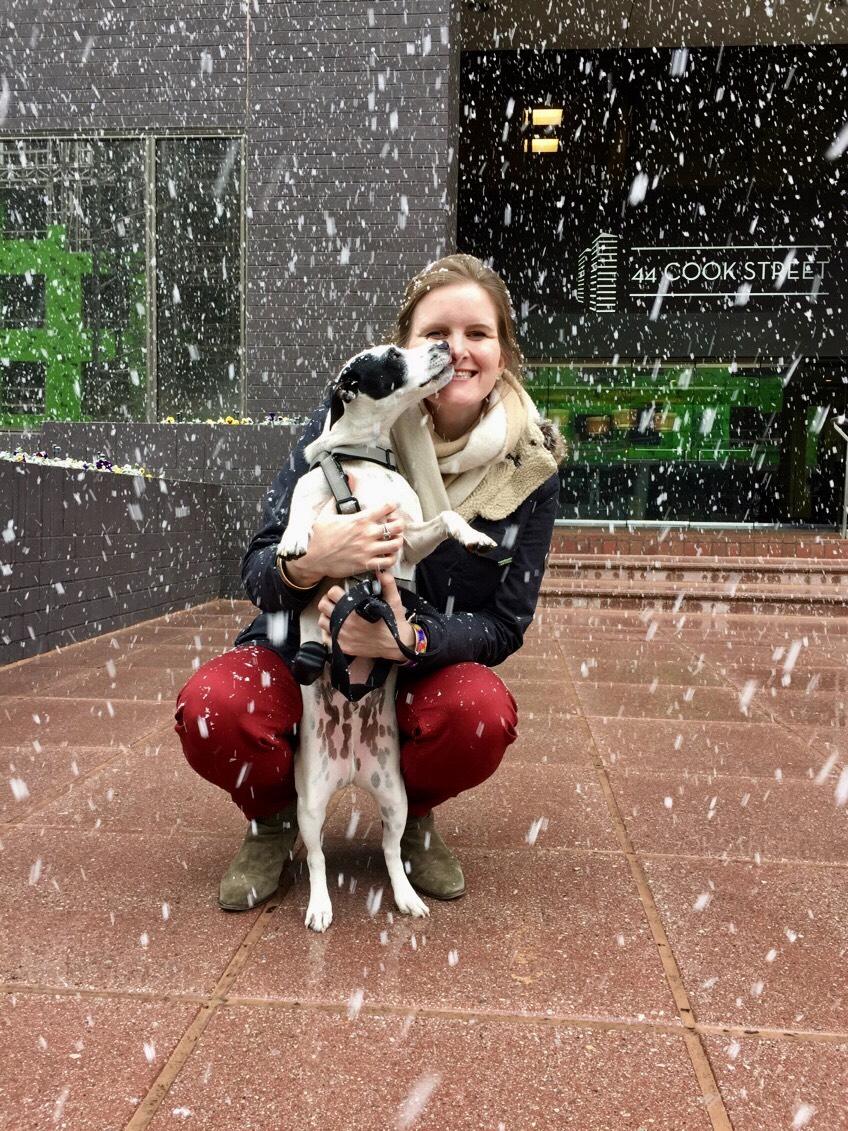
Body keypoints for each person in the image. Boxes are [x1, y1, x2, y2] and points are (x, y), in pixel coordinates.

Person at [174, 254, 564, 912]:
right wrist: (313, 559)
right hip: (302, 647)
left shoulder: (532, 469)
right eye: (437, 334)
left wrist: (413, 637)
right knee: (213, 706)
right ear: (406, 347)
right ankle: (272, 821)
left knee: (480, 713)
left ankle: (412, 819)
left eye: (478, 333)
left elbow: (504, 624)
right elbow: (259, 568)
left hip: (416, 666)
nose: (458, 351)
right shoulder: (341, 430)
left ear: (504, 351)